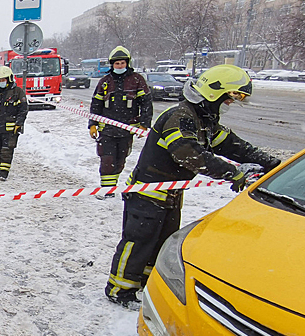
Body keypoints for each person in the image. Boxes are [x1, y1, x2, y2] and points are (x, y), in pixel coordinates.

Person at [105, 65, 281, 304]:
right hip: (148, 192)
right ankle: (119, 290)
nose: (228, 106)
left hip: (170, 194)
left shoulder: (203, 120)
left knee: (159, 243)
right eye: (227, 100)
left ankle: (143, 284)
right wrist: (232, 173)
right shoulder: (180, 117)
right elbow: (187, 152)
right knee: (138, 243)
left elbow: (231, 145)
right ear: (212, 96)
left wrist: (271, 163)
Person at [88, 46, 153, 198]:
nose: (119, 66)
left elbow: (146, 104)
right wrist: (92, 124)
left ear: (127, 63)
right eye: (117, 64)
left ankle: (112, 186)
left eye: (122, 63)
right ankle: (107, 190)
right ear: (112, 65)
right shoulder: (105, 82)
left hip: (126, 129)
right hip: (107, 130)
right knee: (107, 160)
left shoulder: (137, 81)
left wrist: (144, 124)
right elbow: (95, 105)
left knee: (120, 160)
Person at [0, 66, 28, 180]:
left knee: (6, 150)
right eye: (0, 80)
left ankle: (4, 171)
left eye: (4, 80)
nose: (2, 82)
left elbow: (23, 109)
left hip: (10, 128)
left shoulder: (18, 92)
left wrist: (19, 122)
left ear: (9, 79)